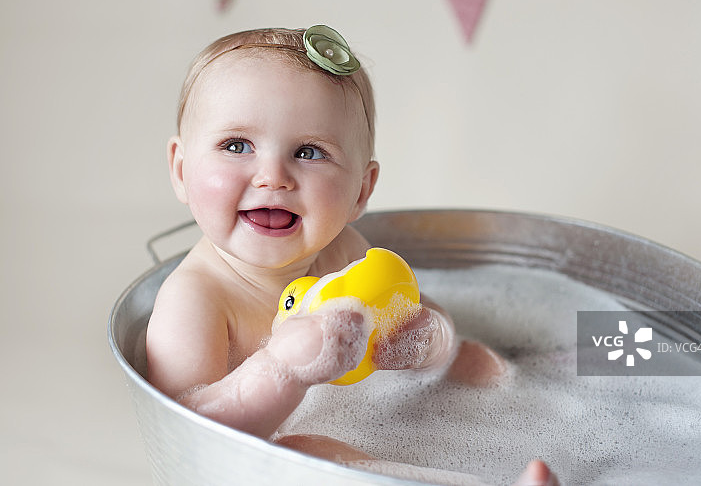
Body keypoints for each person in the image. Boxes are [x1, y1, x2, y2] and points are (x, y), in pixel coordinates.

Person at [145, 25, 557, 486]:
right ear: (181, 170)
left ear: (361, 191)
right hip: (250, 470)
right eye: (236, 145)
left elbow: (419, 315)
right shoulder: (195, 298)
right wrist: (283, 369)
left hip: (380, 426)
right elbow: (187, 433)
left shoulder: (344, 251)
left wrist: (426, 342)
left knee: (477, 360)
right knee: (301, 451)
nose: (272, 177)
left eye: (308, 151)